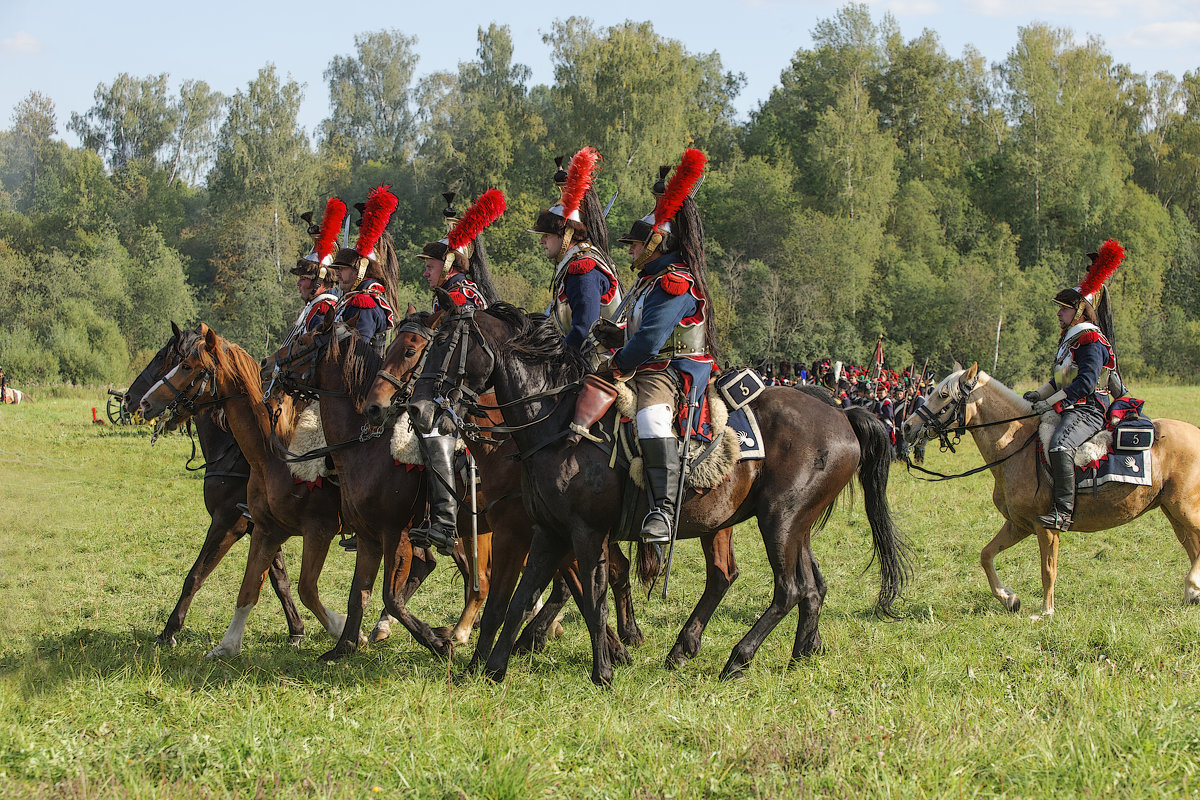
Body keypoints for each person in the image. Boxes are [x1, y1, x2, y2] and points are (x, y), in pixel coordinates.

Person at [602, 148, 717, 545]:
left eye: (635, 244)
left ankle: (663, 511)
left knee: (651, 419)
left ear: (656, 242)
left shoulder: (674, 281)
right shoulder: (649, 281)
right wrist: (614, 339)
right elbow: (642, 332)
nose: (630, 250)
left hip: (671, 371)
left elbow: (651, 341)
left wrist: (618, 361)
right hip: (651, 364)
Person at [408, 189, 506, 556]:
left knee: (433, 432)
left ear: (449, 265)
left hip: (467, 391)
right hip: (444, 384)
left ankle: (445, 523)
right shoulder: (448, 295)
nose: (425, 270)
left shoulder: (463, 295)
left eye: (430, 265)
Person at [1023, 240, 1126, 531]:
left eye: (1064, 309)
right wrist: (1040, 393)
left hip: (1090, 409)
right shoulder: (1071, 340)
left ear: (1079, 311)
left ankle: (1062, 513)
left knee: (1059, 446)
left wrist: (1052, 403)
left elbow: (1086, 382)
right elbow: (1062, 379)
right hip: (1073, 405)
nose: (1059, 313)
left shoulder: (1089, 339)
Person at [528, 147, 622, 353]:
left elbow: (583, 329)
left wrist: (554, 358)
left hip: (598, 364)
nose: (542, 241)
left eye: (547, 235)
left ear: (566, 235)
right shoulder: (572, 265)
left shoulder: (583, 269)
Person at [331, 186, 400, 354]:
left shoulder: (365, 303)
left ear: (360, 269)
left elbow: (356, 354)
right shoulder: (357, 298)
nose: (338, 273)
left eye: (342, 269)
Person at [286, 198, 345, 342]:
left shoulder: (322, 311)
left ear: (320, 280)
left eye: (304, 279)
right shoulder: (315, 307)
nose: (298, 284)